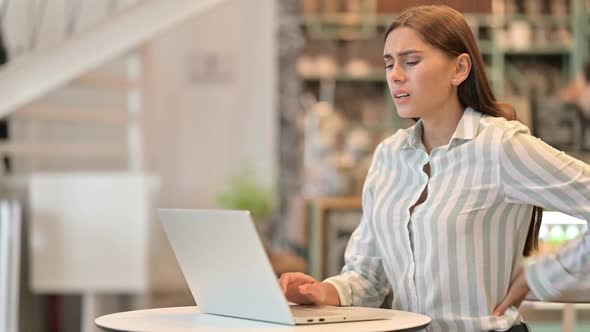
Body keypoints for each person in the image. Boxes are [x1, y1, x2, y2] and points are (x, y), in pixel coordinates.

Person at [280, 5, 590, 332]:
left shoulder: (502, 147)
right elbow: (369, 276)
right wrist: (322, 291)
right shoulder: (389, 155)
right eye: (389, 64)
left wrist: (545, 275)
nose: (395, 75)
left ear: (460, 68)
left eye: (411, 61)